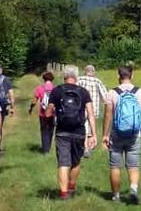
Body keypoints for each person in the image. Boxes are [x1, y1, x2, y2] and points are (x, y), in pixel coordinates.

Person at [45, 65, 97, 200]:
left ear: (64, 76)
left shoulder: (57, 91)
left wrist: (49, 116)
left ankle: (63, 193)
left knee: (63, 162)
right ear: (77, 76)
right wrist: (93, 134)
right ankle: (71, 186)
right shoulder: (83, 92)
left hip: (62, 132)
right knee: (76, 161)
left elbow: (48, 113)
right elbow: (90, 114)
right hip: (79, 131)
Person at [103, 65, 141, 205]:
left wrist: (105, 135)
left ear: (118, 76)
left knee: (115, 166)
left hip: (116, 134)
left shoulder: (112, 93)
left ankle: (116, 196)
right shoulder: (140, 92)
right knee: (133, 165)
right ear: (132, 75)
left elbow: (108, 115)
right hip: (134, 134)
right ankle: (133, 189)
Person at [77, 65, 108, 158]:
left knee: (83, 127)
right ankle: (87, 148)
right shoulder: (98, 81)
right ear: (93, 72)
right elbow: (105, 97)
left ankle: (85, 147)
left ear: (84, 71)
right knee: (89, 128)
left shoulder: (79, 80)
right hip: (93, 109)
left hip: (80, 108)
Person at [29, 72, 56, 153]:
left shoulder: (40, 88)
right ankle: (48, 147)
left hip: (43, 113)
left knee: (44, 130)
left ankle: (45, 149)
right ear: (52, 79)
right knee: (51, 130)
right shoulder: (55, 88)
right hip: (53, 113)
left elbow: (34, 100)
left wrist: (31, 108)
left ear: (44, 79)